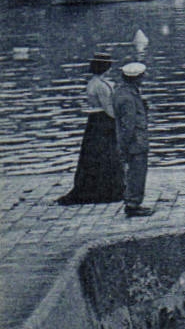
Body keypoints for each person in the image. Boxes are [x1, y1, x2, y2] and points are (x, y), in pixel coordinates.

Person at [58, 52, 123, 204]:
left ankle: (96, 186)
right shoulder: (100, 85)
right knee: (106, 153)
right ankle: (106, 189)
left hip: (94, 121)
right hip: (103, 120)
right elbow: (108, 108)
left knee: (94, 154)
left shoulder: (93, 82)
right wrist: (119, 118)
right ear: (106, 67)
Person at [112, 62, 152, 217]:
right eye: (141, 77)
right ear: (136, 78)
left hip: (134, 141)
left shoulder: (123, 92)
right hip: (136, 142)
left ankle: (132, 201)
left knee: (134, 172)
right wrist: (125, 145)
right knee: (137, 173)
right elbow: (128, 125)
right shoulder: (128, 98)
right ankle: (133, 204)